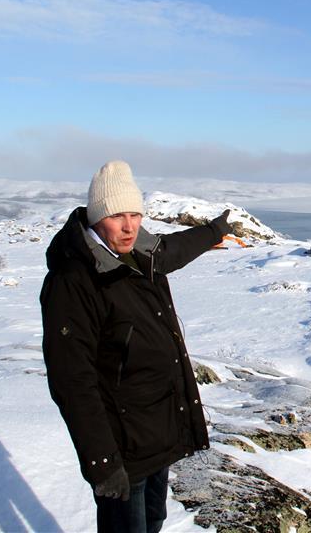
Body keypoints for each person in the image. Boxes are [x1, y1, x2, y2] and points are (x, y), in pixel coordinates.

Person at [41, 160, 232, 533]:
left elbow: (174, 250)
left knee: (154, 521)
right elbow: (72, 380)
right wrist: (101, 461)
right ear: (97, 217)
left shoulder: (142, 254)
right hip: (120, 447)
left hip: (156, 433)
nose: (129, 226)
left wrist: (212, 232)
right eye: (116, 216)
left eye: (135, 214)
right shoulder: (74, 279)